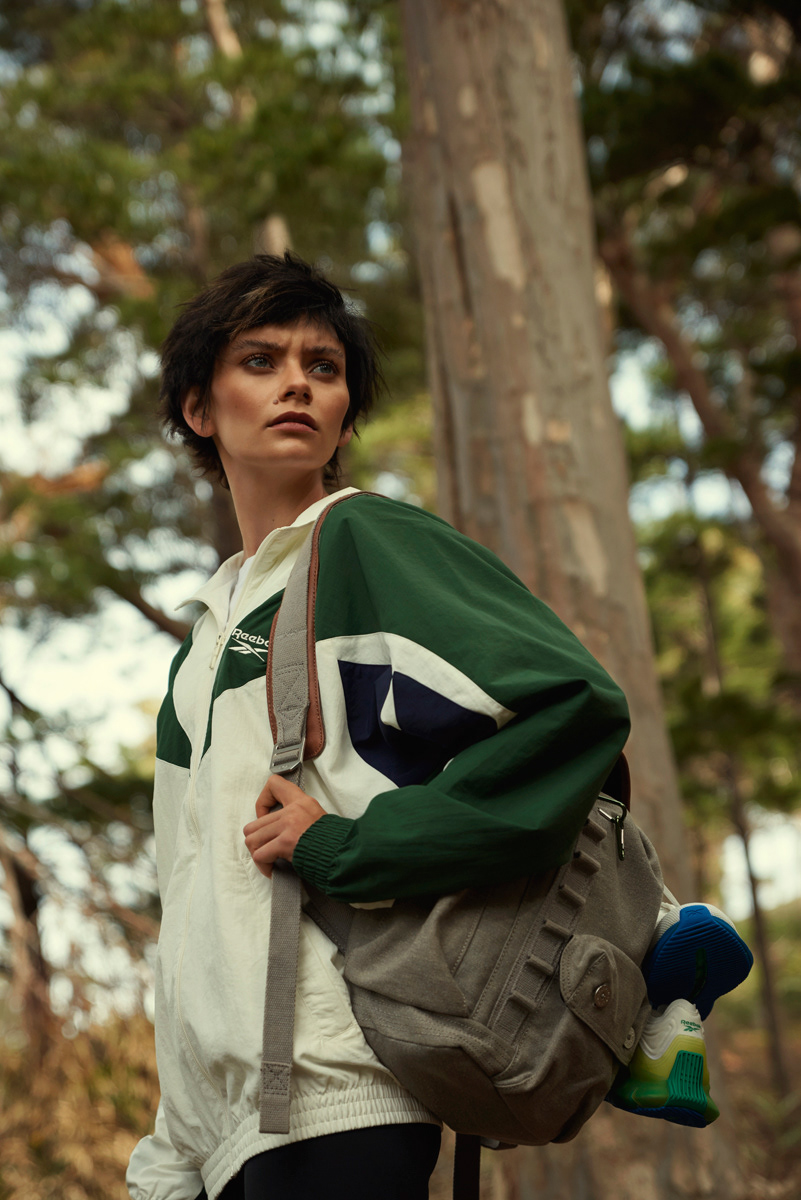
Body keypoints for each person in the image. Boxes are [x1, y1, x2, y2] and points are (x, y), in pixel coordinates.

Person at [126, 253, 750, 1200]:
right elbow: (190, 894)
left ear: (345, 416)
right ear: (197, 409)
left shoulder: (368, 540)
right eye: (260, 360)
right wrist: (172, 1151)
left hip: (343, 1090)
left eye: (323, 366)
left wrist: (351, 846)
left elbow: (570, 710)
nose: (298, 383)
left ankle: (651, 949)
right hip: (224, 1129)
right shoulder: (203, 642)